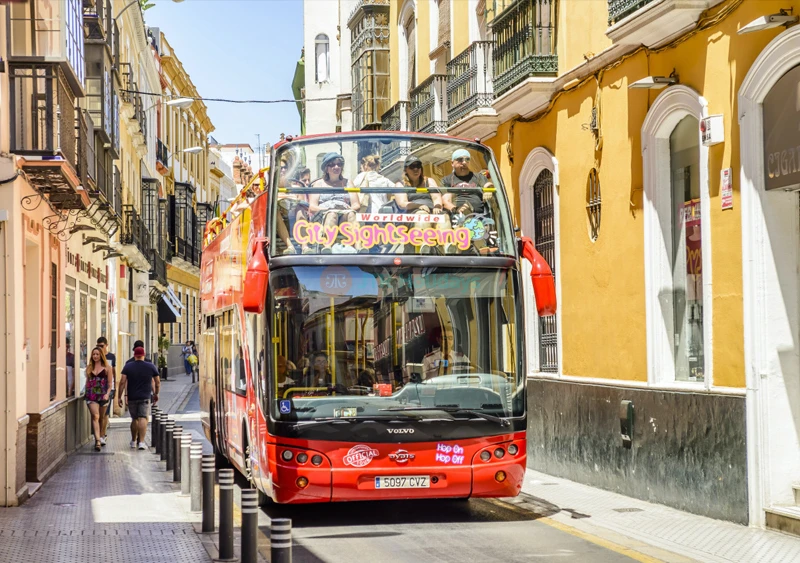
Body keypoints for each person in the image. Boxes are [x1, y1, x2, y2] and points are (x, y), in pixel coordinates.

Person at [394, 155, 449, 253]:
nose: (416, 169)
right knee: (422, 216)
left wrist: (437, 206)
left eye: (418, 166)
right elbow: (402, 203)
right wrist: (418, 206)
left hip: (431, 212)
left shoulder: (429, 181)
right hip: (412, 215)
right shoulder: (400, 184)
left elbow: (436, 198)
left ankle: (447, 247)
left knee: (444, 217)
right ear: (406, 169)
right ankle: (424, 247)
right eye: (412, 166)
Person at [309, 153, 360, 253]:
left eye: (339, 164)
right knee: (332, 215)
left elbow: (356, 204)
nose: (336, 167)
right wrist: (329, 210)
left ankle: (358, 247)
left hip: (344, 213)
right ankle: (327, 246)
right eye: (332, 164)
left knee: (352, 214)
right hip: (324, 214)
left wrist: (348, 209)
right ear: (326, 168)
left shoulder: (348, 183)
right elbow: (312, 206)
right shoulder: (319, 184)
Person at [118, 346, 160, 450]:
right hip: (145, 397)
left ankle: (133, 441)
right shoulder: (150, 366)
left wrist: (119, 396)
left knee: (134, 419)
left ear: (134, 355)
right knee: (143, 418)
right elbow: (157, 382)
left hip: (132, 397)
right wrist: (156, 393)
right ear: (144, 355)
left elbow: (122, 382)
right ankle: (141, 442)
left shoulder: (128, 366)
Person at [441, 148, 489, 217]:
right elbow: (446, 201)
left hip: (480, 216)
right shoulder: (447, 180)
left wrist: (488, 190)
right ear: (452, 163)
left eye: (467, 159)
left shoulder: (478, 177)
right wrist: (457, 209)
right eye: (460, 160)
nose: (464, 162)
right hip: (457, 217)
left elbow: (487, 184)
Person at [85, 346, 112, 451]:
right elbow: (87, 381)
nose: (95, 356)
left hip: (103, 394)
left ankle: (100, 436)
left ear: (101, 355)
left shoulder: (107, 368)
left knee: (101, 417)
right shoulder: (89, 368)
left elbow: (110, 384)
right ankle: (97, 441)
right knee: (95, 416)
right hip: (91, 395)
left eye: (97, 354)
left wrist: (107, 394)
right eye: (93, 354)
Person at [96, 336, 116, 442]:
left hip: (108, 389)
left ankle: (102, 435)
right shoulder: (96, 356)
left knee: (105, 413)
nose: (99, 348)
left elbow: (114, 372)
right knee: (98, 414)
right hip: (97, 389)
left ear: (106, 345)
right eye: (98, 346)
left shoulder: (111, 357)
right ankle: (99, 435)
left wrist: (114, 388)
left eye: (101, 346)